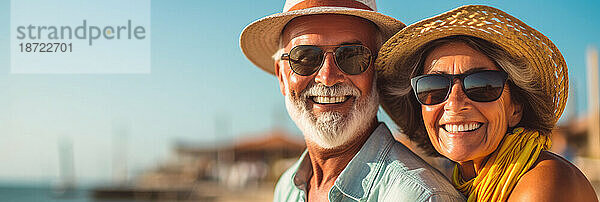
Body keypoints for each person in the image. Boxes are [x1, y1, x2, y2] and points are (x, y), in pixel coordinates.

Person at [240, 0, 465, 201]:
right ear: (282, 76)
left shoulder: (419, 196)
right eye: (306, 58)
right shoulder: (286, 189)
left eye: (352, 56)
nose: (327, 78)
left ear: (378, 72)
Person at [377, 5, 598, 202]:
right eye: (434, 88)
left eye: (481, 86)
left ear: (516, 107)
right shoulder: (463, 187)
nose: (454, 103)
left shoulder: (544, 181)